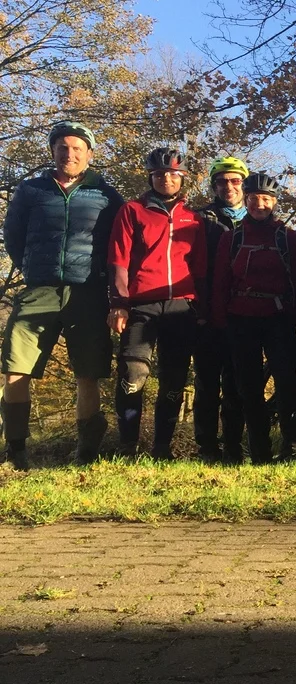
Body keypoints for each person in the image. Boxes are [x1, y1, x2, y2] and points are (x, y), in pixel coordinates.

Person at [1, 121, 123, 468]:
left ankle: (86, 453)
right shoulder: (31, 190)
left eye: (76, 148)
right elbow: (13, 236)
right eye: (62, 148)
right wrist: (31, 268)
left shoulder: (106, 195)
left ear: (89, 154)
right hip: (38, 290)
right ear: (52, 151)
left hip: (87, 292)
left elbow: (119, 243)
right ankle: (17, 452)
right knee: (15, 369)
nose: (69, 154)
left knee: (87, 372)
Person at [108, 148, 206, 458]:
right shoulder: (132, 211)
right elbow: (118, 259)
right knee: (132, 374)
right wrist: (118, 303)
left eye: (173, 174)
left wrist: (201, 306)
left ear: (182, 178)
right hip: (141, 304)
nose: (167, 178)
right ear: (151, 177)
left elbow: (201, 265)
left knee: (174, 379)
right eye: (160, 174)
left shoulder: (193, 217)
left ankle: (162, 448)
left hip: (181, 306)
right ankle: (127, 447)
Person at [211, 172, 296, 464]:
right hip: (240, 320)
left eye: (266, 199)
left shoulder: (286, 236)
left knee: (286, 385)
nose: (259, 204)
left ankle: (291, 445)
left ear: (274, 203)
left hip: (278, 319)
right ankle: (260, 452)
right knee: (248, 388)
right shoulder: (233, 237)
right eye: (254, 199)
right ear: (246, 199)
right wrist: (219, 323)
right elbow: (220, 282)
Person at [194, 156, 250, 464]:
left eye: (235, 180)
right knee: (206, 383)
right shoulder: (201, 219)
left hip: (242, 313)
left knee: (236, 382)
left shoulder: (258, 217)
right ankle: (206, 447)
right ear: (214, 186)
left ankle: (233, 446)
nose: (228, 186)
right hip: (206, 311)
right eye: (221, 181)